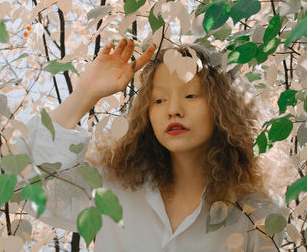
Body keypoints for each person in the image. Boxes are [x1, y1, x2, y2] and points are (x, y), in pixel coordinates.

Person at [18, 38, 287, 251]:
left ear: (224, 106)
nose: (173, 110)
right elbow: (33, 191)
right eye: (158, 100)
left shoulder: (257, 212)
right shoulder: (110, 184)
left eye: (190, 95)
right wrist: (86, 92)